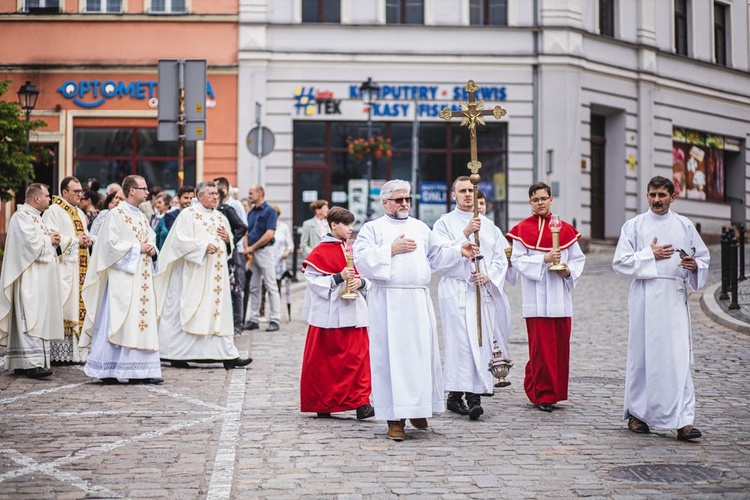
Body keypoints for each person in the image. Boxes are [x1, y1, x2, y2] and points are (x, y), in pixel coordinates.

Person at [353, 179, 477, 441]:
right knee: (391, 359)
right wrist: (390, 249)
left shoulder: (420, 227)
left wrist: (459, 250)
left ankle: (418, 408)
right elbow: (361, 260)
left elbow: (436, 256)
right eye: (399, 200)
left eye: (407, 198)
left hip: (417, 300)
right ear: (384, 202)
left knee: (420, 356)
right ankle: (394, 418)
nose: (405, 203)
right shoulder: (372, 229)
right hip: (388, 301)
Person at [612, 176, 709, 441]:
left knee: (677, 357)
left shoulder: (684, 225)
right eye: (652, 195)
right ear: (647, 196)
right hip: (645, 295)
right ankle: (637, 414)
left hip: (673, 296)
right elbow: (620, 263)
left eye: (662, 195)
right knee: (643, 355)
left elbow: (702, 257)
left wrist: (694, 265)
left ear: (672, 197)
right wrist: (648, 255)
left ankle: (683, 420)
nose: (656, 200)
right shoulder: (634, 226)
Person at [433, 177, 513, 420]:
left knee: (480, 341)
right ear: (453, 195)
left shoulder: (489, 226)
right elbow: (437, 258)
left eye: (471, 190)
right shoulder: (444, 223)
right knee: (461, 343)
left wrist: (489, 276)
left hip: (482, 290)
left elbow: (501, 257)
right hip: (457, 289)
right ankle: (470, 396)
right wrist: (464, 234)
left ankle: (462, 395)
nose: (468, 195)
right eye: (463, 191)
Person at [155, 181, 251, 369]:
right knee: (189, 310)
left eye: (217, 194)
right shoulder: (188, 215)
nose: (216, 197)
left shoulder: (220, 216)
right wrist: (201, 246)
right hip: (193, 274)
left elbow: (229, 242)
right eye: (212, 193)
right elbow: (178, 241)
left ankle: (227, 354)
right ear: (200, 196)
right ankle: (177, 354)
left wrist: (227, 240)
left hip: (216, 276)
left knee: (217, 313)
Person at [507, 182, 586, 412]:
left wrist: (567, 270)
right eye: (535, 199)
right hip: (537, 298)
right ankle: (542, 394)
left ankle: (556, 392)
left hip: (560, 297)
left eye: (544, 198)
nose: (540, 203)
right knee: (541, 350)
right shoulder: (522, 230)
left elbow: (578, 259)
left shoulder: (566, 229)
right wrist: (544, 259)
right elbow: (519, 261)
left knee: (560, 348)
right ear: (530, 203)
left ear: (551, 200)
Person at [79, 175, 162, 385]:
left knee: (139, 322)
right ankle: (110, 369)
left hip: (141, 278)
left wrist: (152, 249)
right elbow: (108, 246)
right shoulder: (116, 215)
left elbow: (150, 238)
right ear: (132, 190)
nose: (147, 192)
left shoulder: (142, 216)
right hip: (122, 280)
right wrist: (137, 248)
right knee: (119, 321)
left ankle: (141, 370)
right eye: (144, 188)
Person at [300, 206, 374, 420]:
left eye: (352, 224)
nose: (351, 229)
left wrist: (361, 283)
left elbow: (368, 275)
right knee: (326, 363)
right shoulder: (320, 252)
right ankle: (324, 403)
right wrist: (338, 277)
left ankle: (362, 403)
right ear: (333, 225)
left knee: (359, 360)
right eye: (346, 224)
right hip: (329, 315)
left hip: (354, 313)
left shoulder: (352, 248)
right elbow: (313, 282)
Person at [0, 184, 64, 379]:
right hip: (29, 278)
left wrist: (53, 239)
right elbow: (29, 244)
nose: (49, 199)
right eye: (47, 196)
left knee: (37, 316)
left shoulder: (36, 218)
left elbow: (42, 241)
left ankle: (24, 362)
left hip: (40, 279)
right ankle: (31, 363)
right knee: (30, 318)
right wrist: (48, 240)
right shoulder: (21, 217)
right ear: (36, 198)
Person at [43, 176, 94, 364]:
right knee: (65, 307)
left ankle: (77, 353)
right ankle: (58, 354)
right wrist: (75, 241)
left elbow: (83, 236)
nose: (80, 195)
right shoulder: (53, 211)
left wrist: (87, 241)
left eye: (81, 191)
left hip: (79, 269)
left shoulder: (79, 213)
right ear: (65, 192)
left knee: (78, 306)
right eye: (76, 191)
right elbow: (51, 239)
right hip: (63, 269)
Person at [243, 184, 281, 332]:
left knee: (271, 285)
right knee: (254, 287)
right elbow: (247, 231)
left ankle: (275, 319)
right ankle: (253, 319)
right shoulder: (251, 213)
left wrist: (251, 247)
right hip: (253, 252)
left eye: (251, 193)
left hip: (265, 251)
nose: (249, 196)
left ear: (260, 193)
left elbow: (270, 234)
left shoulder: (270, 211)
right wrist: (247, 247)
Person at [215, 179, 249, 336]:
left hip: (230, 256)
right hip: (214, 255)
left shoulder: (227, 210)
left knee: (234, 288)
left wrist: (231, 241)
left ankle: (237, 324)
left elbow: (242, 227)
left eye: (215, 194)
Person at [155, 185, 195, 250]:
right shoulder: (170, 216)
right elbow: (177, 234)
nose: (189, 201)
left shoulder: (197, 216)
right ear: (179, 199)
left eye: (191, 198)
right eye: (186, 198)